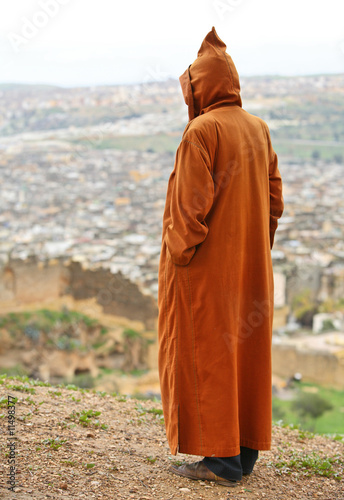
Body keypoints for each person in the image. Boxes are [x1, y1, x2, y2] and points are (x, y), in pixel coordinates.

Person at [157, 27, 284, 487]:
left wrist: (178, 257)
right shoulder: (258, 128)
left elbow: (189, 213)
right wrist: (254, 245)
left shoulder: (202, 131)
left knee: (207, 353)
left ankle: (220, 460)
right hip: (250, 266)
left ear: (200, 87)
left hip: (207, 271)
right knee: (243, 354)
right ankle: (243, 452)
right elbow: (274, 201)